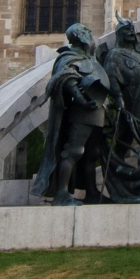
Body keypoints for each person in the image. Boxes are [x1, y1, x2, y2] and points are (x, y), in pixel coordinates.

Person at [31, 23, 115, 206]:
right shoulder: (68, 57)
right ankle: (61, 193)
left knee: (92, 154)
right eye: (86, 31)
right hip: (82, 112)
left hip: (96, 112)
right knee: (73, 151)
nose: (90, 33)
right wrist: (81, 99)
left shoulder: (90, 58)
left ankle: (91, 192)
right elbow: (68, 78)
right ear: (78, 36)